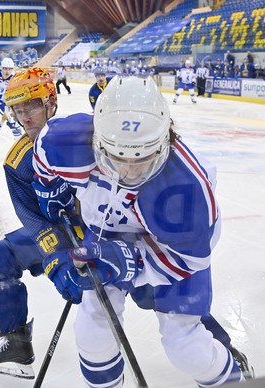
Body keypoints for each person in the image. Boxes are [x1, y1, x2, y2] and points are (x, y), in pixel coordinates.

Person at [32, 76, 253, 386]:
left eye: (143, 157)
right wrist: (53, 196)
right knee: (92, 331)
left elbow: (189, 259)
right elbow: (43, 166)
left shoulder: (186, 187)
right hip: (105, 232)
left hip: (169, 248)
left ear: (166, 142)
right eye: (117, 156)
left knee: (186, 348)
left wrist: (128, 261)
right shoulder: (62, 141)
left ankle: (234, 376)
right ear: (98, 139)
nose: (129, 171)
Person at [0, 68, 80, 379]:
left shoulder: (84, 136)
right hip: (62, 232)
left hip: (107, 227)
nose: (24, 117)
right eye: (18, 110)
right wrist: (58, 257)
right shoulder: (17, 160)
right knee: (2, 254)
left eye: (31, 106)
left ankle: (211, 344)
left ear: (51, 101)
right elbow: (34, 221)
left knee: (154, 279)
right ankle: (16, 344)